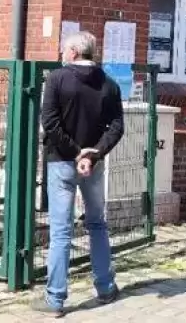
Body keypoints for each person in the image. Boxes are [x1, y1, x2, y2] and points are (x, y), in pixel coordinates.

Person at [34, 32, 125, 316]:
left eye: (64, 49)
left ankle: (55, 300)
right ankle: (106, 287)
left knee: (61, 231)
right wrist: (93, 154)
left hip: (62, 162)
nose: (62, 53)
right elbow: (117, 126)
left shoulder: (57, 79)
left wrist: (76, 153)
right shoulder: (109, 84)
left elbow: (50, 122)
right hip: (93, 165)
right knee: (97, 224)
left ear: (73, 52)